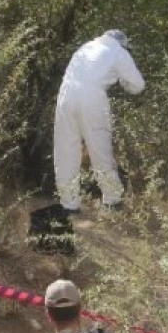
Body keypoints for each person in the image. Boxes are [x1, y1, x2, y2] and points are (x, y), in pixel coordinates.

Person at [54, 29, 145, 215]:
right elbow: (138, 85)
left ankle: (68, 204)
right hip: (92, 98)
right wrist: (123, 82)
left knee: (65, 150)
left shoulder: (86, 47)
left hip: (66, 95)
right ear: (122, 43)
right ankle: (112, 200)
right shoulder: (119, 52)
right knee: (100, 148)